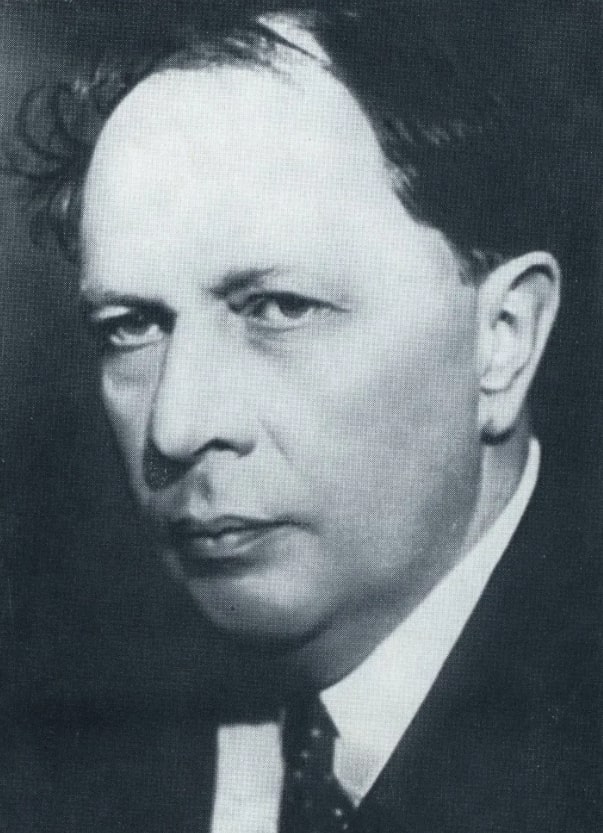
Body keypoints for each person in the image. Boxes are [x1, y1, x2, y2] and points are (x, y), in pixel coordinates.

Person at [5, 2, 600, 831]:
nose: (177, 426)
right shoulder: (59, 744)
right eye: (129, 327)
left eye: (279, 308)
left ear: (501, 338)